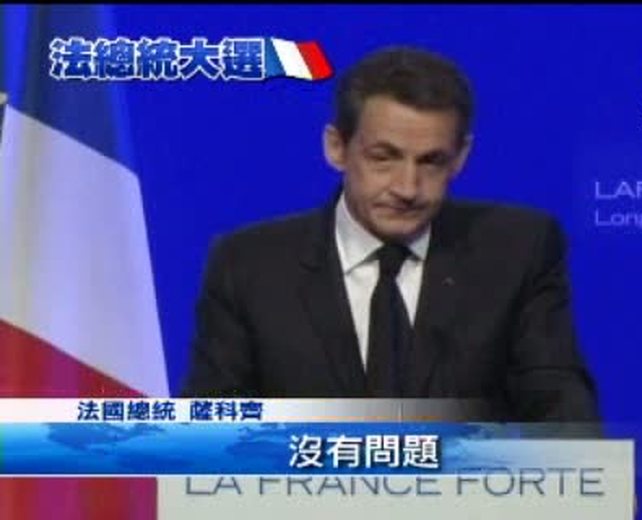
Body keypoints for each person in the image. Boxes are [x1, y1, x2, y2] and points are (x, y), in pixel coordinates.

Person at [180, 46, 600, 426]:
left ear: (461, 157)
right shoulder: (249, 266)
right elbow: (213, 432)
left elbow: (560, 404)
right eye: (384, 158)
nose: (408, 188)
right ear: (337, 147)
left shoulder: (517, 251)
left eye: (431, 162)